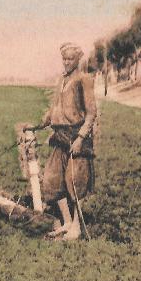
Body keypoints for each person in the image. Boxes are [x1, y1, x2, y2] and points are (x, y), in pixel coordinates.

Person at [26, 43, 97, 240]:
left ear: (77, 60)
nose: (66, 62)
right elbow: (54, 107)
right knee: (51, 179)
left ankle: (76, 227)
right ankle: (66, 222)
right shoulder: (62, 80)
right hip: (59, 137)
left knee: (74, 182)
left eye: (70, 59)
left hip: (76, 136)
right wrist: (41, 124)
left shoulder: (84, 80)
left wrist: (81, 138)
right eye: (64, 59)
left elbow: (92, 113)